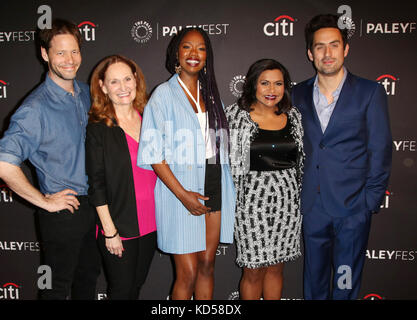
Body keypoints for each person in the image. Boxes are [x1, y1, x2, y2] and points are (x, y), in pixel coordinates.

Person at [0, 19, 101, 299]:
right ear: (45, 54)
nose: (69, 60)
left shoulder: (87, 94)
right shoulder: (35, 108)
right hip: (63, 213)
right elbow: (2, 163)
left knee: (87, 285)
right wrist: (44, 201)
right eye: (60, 52)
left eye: (74, 51)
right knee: (56, 290)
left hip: (96, 207)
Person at [292, 14, 392, 300]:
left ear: (345, 49)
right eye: (320, 46)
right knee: (315, 279)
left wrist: (369, 202)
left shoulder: (369, 92)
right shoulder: (296, 94)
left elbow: (381, 148)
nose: (327, 53)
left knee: (345, 280)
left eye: (334, 45)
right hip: (312, 206)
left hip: (352, 207)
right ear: (310, 53)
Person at [136, 27, 235, 300]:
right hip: (179, 189)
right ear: (176, 54)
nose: (194, 53)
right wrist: (182, 195)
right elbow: (153, 154)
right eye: (187, 47)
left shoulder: (213, 95)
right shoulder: (163, 95)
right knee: (188, 273)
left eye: (201, 48)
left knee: (207, 266)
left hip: (213, 182)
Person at [225, 59, 304, 300]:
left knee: (276, 268)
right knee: (253, 271)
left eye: (278, 84)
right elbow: (231, 167)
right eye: (265, 83)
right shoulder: (235, 116)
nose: (272, 90)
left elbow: (300, 164)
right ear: (253, 85)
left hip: (287, 204)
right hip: (249, 206)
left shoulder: (294, 116)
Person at [85, 55, 157, 299]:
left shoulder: (149, 117)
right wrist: (109, 231)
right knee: (121, 291)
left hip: (152, 222)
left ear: (136, 80)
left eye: (127, 78)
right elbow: (96, 184)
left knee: (136, 287)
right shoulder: (98, 128)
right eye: (114, 82)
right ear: (103, 87)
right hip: (119, 226)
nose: (123, 87)